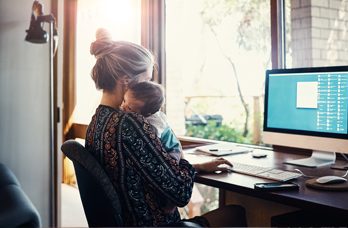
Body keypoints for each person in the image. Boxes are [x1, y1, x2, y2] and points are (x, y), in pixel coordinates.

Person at [85, 28, 247, 227]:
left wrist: (199, 167)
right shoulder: (130, 123)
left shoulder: (96, 122)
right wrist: (185, 163)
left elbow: (141, 171)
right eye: (146, 80)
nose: (149, 87)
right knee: (236, 213)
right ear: (125, 80)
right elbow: (180, 194)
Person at [120, 81, 181, 215]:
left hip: (172, 149)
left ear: (146, 113)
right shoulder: (140, 115)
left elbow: (152, 139)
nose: (123, 106)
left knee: (172, 172)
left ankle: (172, 202)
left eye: (128, 107)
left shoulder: (154, 122)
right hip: (164, 148)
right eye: (124, 101)